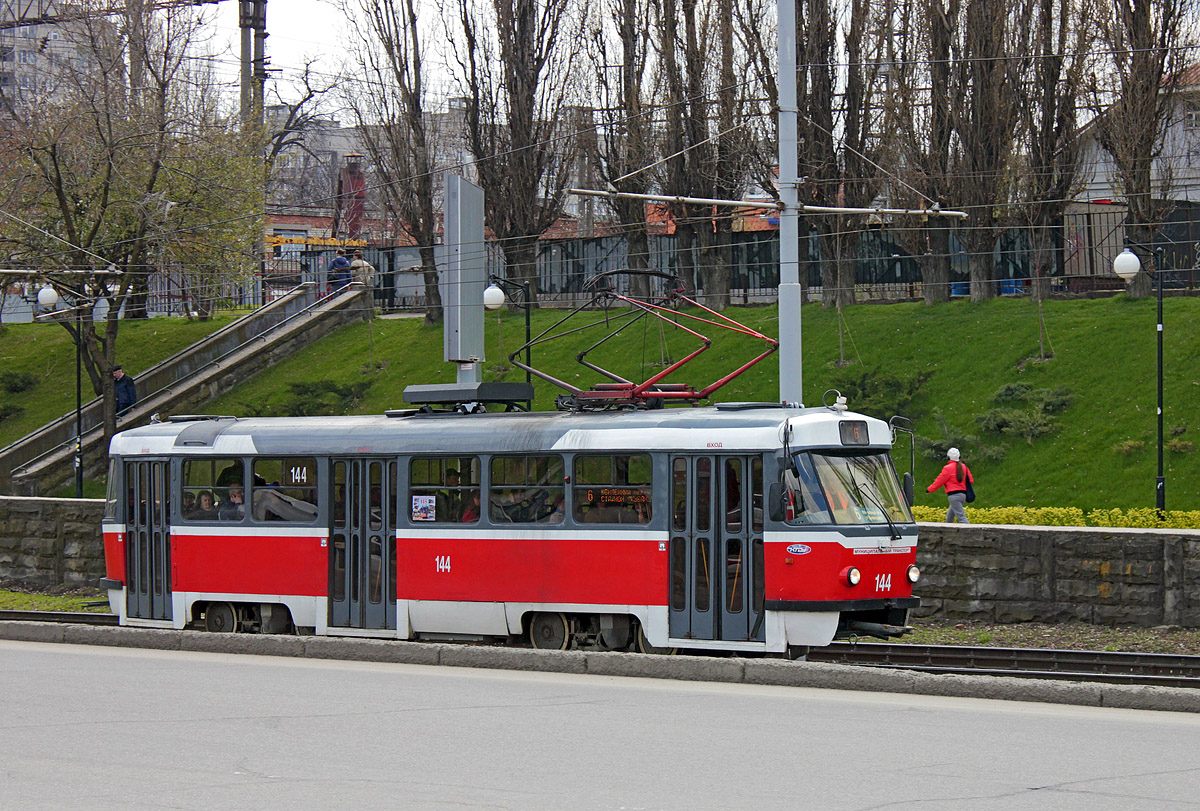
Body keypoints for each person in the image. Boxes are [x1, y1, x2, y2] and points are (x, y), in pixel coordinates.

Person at [927, 447, 974, 524]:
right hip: (963, 495)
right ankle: (947, 530)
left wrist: (929, 489)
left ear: (948, 457)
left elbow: (939, 481)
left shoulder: (947, 468)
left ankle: (971, 532)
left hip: (954, 496)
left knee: (961, 517)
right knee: (949, 516)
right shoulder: (964, 467)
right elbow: (971, 480)